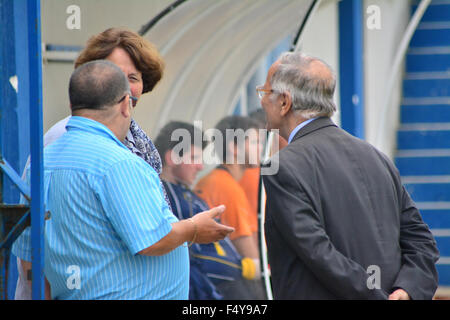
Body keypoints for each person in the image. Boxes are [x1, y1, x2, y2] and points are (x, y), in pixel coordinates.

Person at [21, 60, 234, 300]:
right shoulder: (119, 164)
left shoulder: (40, 164)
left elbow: (30, 258)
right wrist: (194, 228)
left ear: (72, 104)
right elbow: (153, 240)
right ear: (125, 104)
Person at [259, 51, 440, 300]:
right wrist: (406, 290)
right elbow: (421, 241)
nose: (261, 101)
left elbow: (318, 252)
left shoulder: (283, 166)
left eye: (265, 92)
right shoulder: (377, 157)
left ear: (284, 102)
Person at [12, 27, 171, 299]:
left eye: (133, 77)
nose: (124, 86)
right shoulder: (64, 138)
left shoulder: (138, 140)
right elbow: (33, 239)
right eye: (114, 74)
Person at [155, 121, 262, 300]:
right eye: (195, 158)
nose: (201, 166)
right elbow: (193, 256)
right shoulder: (166, 198)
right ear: (172, 158)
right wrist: (242, 267)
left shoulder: (184, 193)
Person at [195, 115, 266, 299]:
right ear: (234, 148)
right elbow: (252, 258)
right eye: (255, 142)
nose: (261, 148)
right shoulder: (228, 189)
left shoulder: (216, 181)